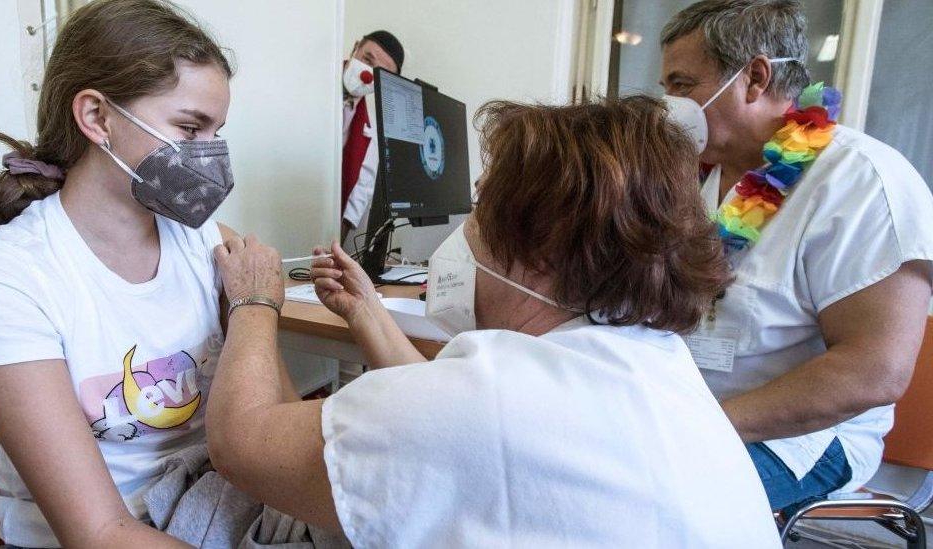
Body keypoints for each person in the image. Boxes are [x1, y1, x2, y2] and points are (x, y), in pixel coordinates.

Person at [205, 97, 782, 547]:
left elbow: (240, 447)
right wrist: (367, 314)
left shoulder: (496, 399)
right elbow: (460, 425)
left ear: (542, 252)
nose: (465, 232)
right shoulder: (644, 356)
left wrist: (256, 301)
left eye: (481, 207)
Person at [0, 1, 237, 546]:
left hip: (213, 508)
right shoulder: (2, 279)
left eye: (217, 133)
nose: (212, 157)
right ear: (96, 117)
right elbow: (98, 533)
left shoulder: (204, 239)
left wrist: (256, 306)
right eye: (189, 127)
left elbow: (258, 435)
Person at [659, 0, 933, 515]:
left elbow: (874, 371)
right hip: (676, 412)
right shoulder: (691, 177)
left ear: (755, 78)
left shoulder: (863, 181)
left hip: (799, 439)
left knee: (646, 503)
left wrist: (700, 426)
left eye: (681, 84)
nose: (670, 104)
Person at [340, 30, 405, 242]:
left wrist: (334, 241)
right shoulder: (308, 85)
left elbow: (361, 190)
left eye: (379, 73)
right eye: (367, 59)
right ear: (355, 47)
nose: (367, 73)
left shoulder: (371, 129)